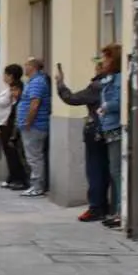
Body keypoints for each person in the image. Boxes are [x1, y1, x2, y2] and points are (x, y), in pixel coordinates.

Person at [56, 58, 108, 222]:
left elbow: (72, 98)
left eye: (99, 65)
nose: (96, 68)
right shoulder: (112, 83)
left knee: (95, 169)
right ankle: (106, 206)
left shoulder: (97, 86)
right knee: (106, 170)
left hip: (95, 130)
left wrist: (60, 84)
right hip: (108, 130)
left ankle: (96, 207)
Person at [17, 57, 52, 198]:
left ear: (32, 67)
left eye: (26, 64)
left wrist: (28, 122)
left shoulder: (37, 82)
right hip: (32, 125)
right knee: (33, 156)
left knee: (34, 157)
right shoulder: (32, 81)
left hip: (34, 126)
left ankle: (37, 186)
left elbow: (35, 104)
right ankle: (35, 185)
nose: (24, 67)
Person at [98, 44, 123, 228]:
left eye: (106, 58)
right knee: (114, 171)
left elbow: (120, 101)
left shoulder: (118, 79)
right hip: (109, 127)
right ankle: (117, 210)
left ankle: (121, 211)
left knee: (117, 171)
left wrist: (105, 107)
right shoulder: (110, 79)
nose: (103, 62)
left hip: (115, 127)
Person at [0, 64, 28, 190]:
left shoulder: (16, 88)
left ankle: (19, 178)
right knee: (8, 153)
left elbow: (10, 105)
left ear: (11, 75)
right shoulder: (9, 88)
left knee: (13, 152)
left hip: (9, 124)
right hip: (3, 124)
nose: (4, 77)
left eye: (6, 74)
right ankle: (12, 176)